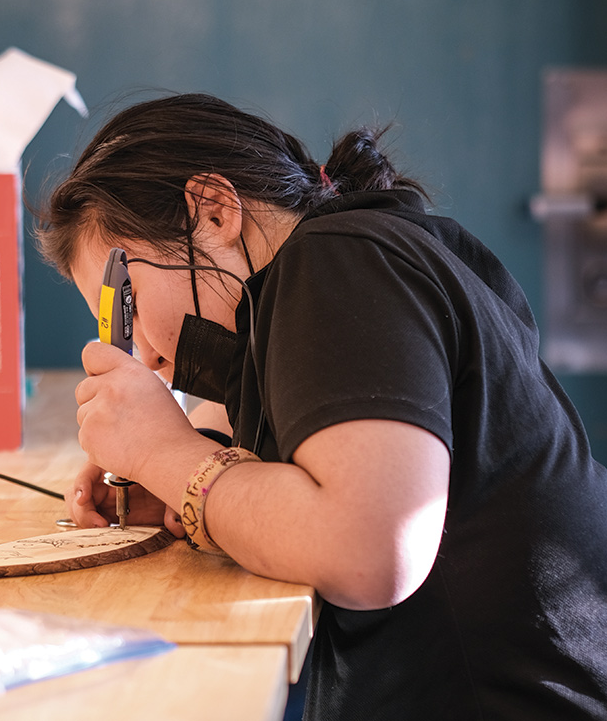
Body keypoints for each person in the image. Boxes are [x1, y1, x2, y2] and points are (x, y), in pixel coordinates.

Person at [35, 92, 607, 720]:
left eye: (132, 306)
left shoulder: (335, 262)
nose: (143, 356)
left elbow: (372, 550)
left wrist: (165, 454)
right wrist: (178, 478)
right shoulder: (369, 250)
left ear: (215, 210)